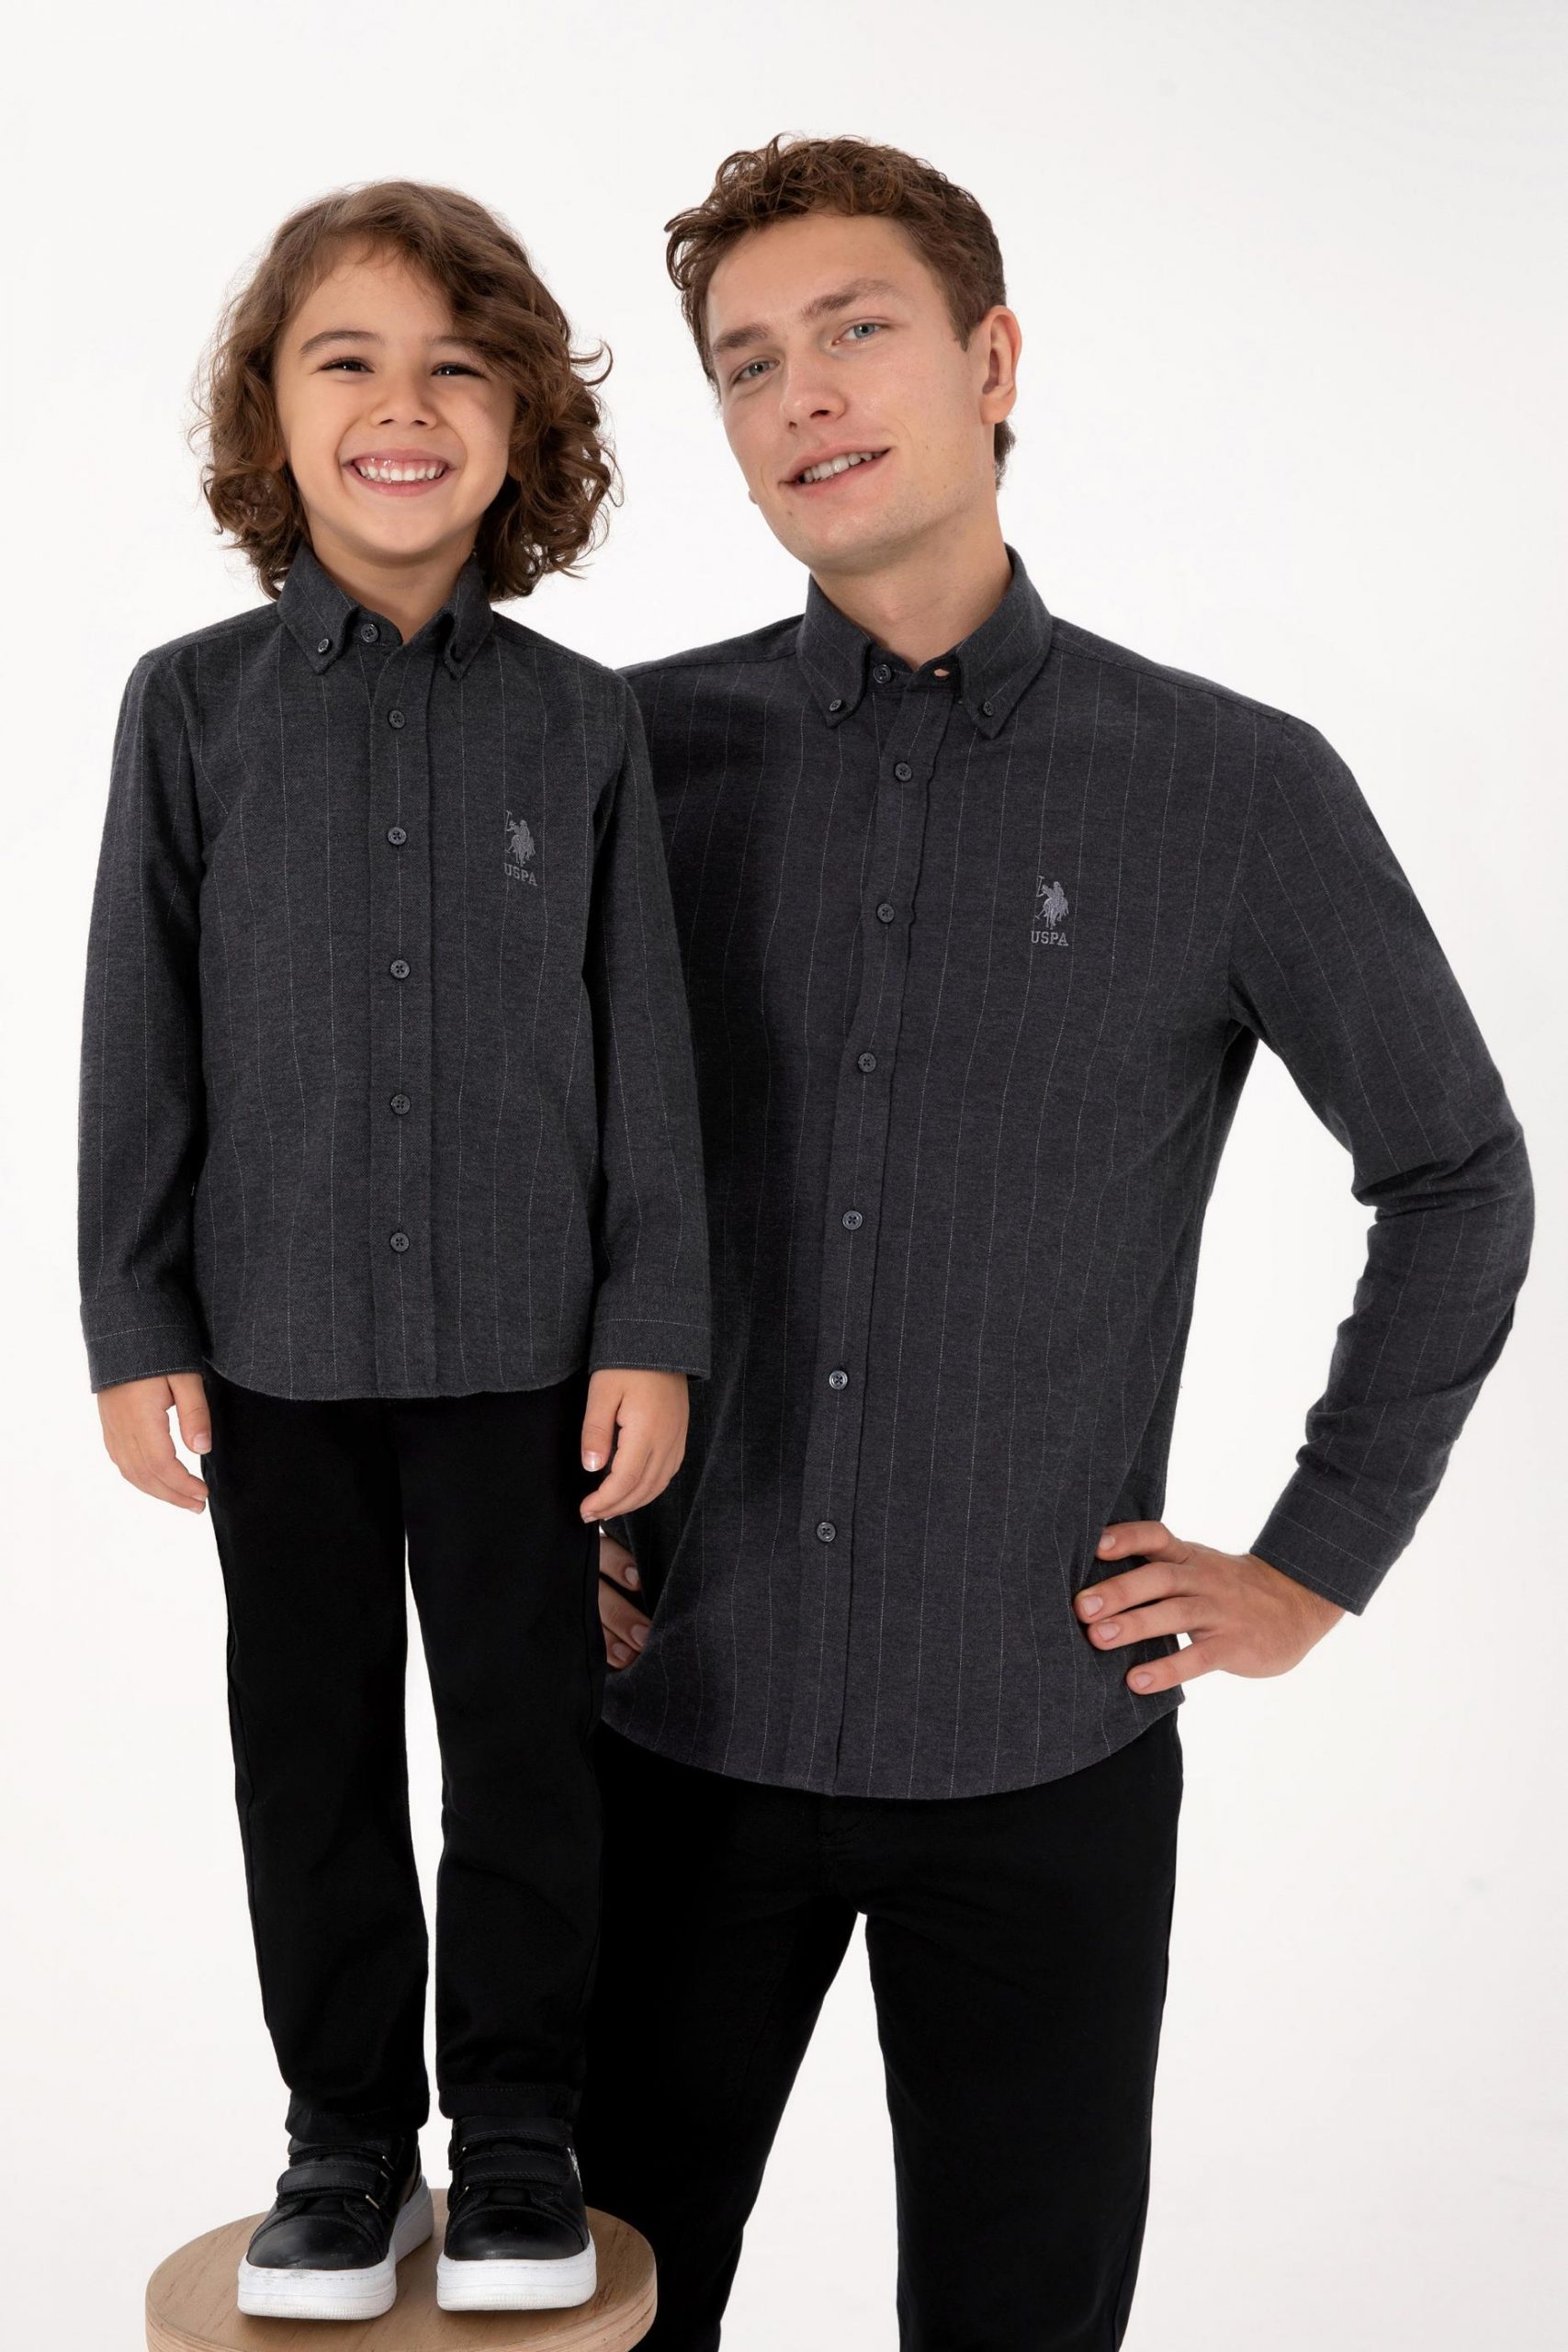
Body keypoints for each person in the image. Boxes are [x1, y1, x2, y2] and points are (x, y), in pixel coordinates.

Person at [579, 134, 1535, 2350]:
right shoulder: (626, 761)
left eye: (855, 331)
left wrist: (1313, 1558)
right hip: (663, 1726)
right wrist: (520, 1519)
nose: (804, 395)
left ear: (990, 361)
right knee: (585, 2312)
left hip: (1042, 1759)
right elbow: (509, 1187)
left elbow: (1454, 1171)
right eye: (747, 363)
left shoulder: (1228, 788)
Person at [75, 179, 710, 2322]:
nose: (402, 406)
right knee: (310, 1745)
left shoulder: (581, 723)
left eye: (456, 366)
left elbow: (643, 1053)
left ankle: (517, 2132)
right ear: (271, 408)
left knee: (530, 1745)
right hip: (273, 1345)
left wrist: (651, 1320)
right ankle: (342, 2138)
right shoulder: (188, 709)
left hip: (533, 1351)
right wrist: (134, 1318)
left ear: (523, 421)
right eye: (346, 360)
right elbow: (137, 1031)